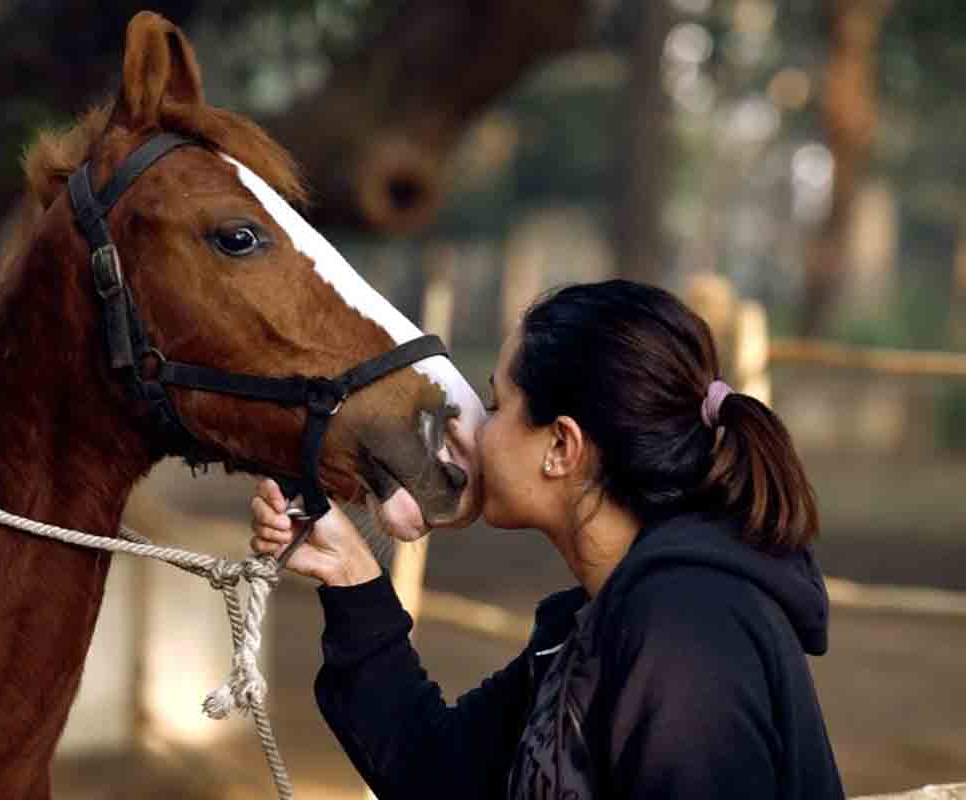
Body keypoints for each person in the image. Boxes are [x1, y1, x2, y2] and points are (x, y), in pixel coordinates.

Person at [249, 280, 845, 800]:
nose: (477, 430)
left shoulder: (685, 631)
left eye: (498, 404)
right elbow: (437, 776)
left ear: (561, 447)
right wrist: (354, 580)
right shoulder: (595, 622)